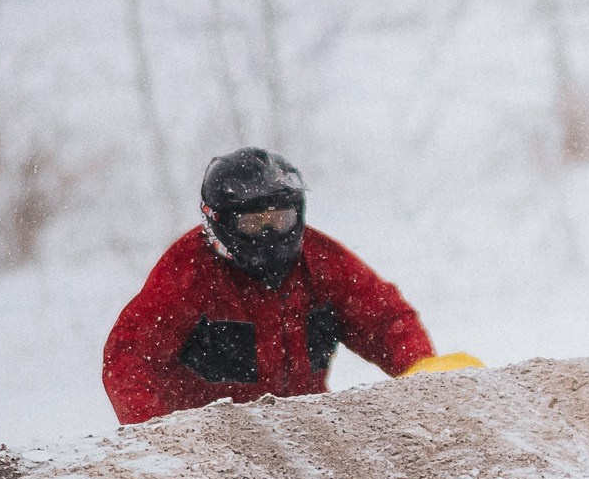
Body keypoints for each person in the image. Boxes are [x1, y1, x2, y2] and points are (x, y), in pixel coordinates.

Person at [102, 148, 478, 426]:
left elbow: (383, 318)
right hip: (210, 444)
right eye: (253, 224)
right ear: (217, 223)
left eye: (280, 220)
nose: (269, 234)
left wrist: (421, 369)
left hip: (307, 434)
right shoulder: (186, 274)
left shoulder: (321, 260)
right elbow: (129, 357)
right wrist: (154, 429)